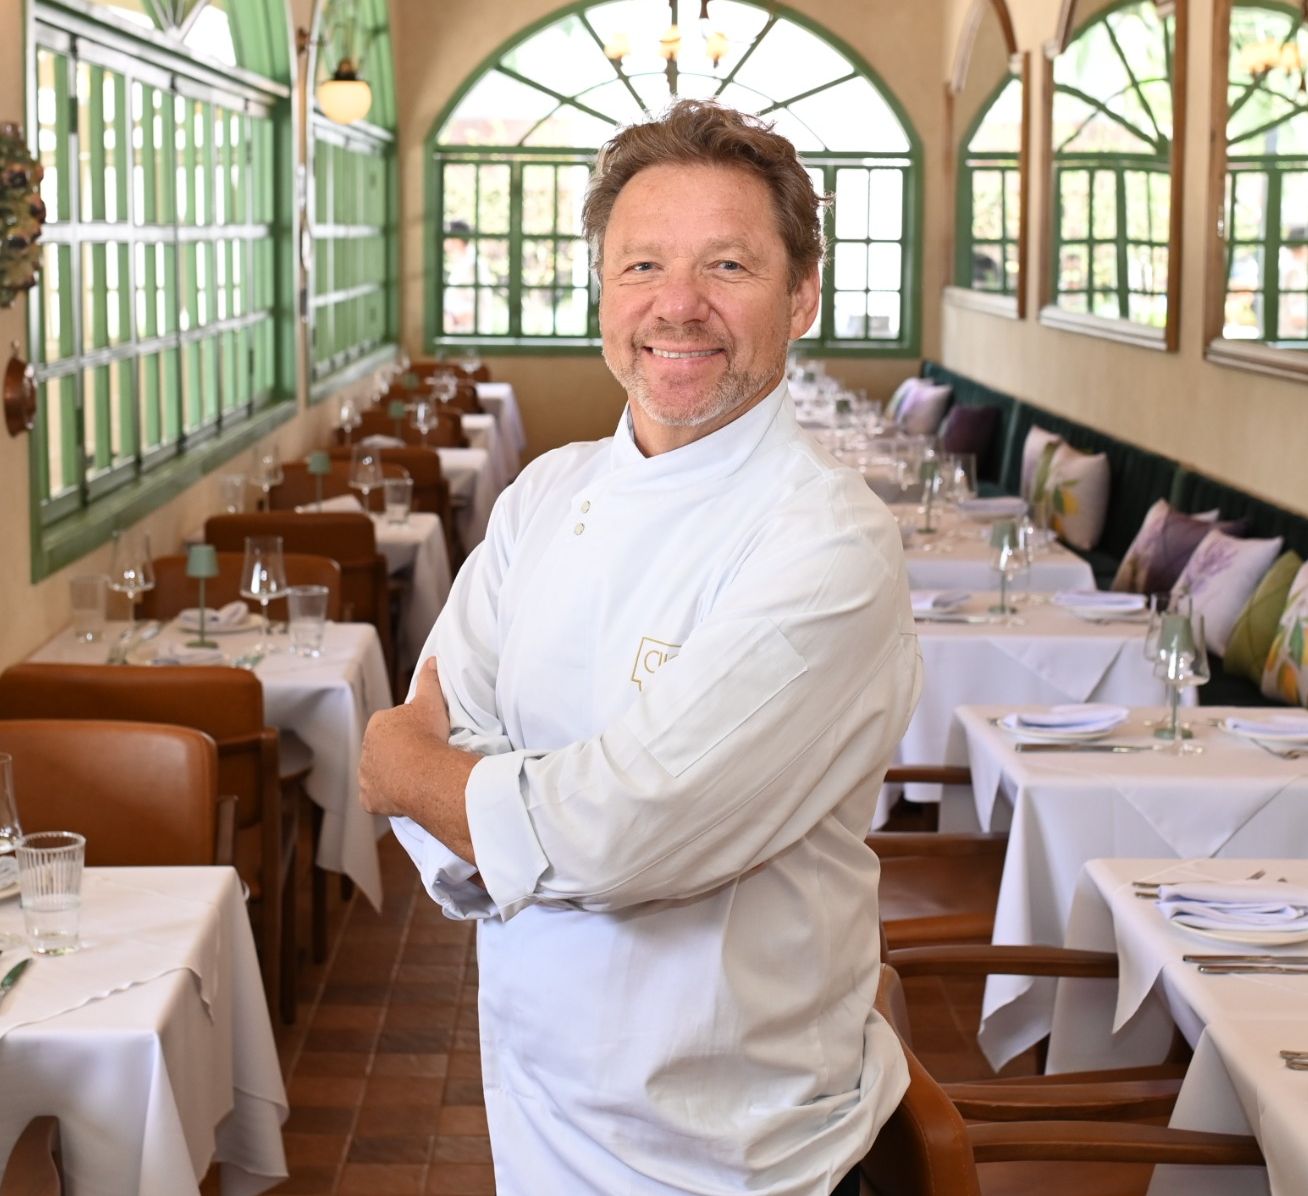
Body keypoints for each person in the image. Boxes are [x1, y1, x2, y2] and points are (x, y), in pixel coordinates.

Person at [359, 99, 922, 1196]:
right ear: (603, 291)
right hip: (532, 1111)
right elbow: (484, 760)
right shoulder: (543, 495)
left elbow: (621, 829)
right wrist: (504, 810)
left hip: (743, 1152)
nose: (678, 304)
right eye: (643, 265)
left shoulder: (829, 542)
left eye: (728, 265)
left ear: (802, 295)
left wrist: (407, 768)